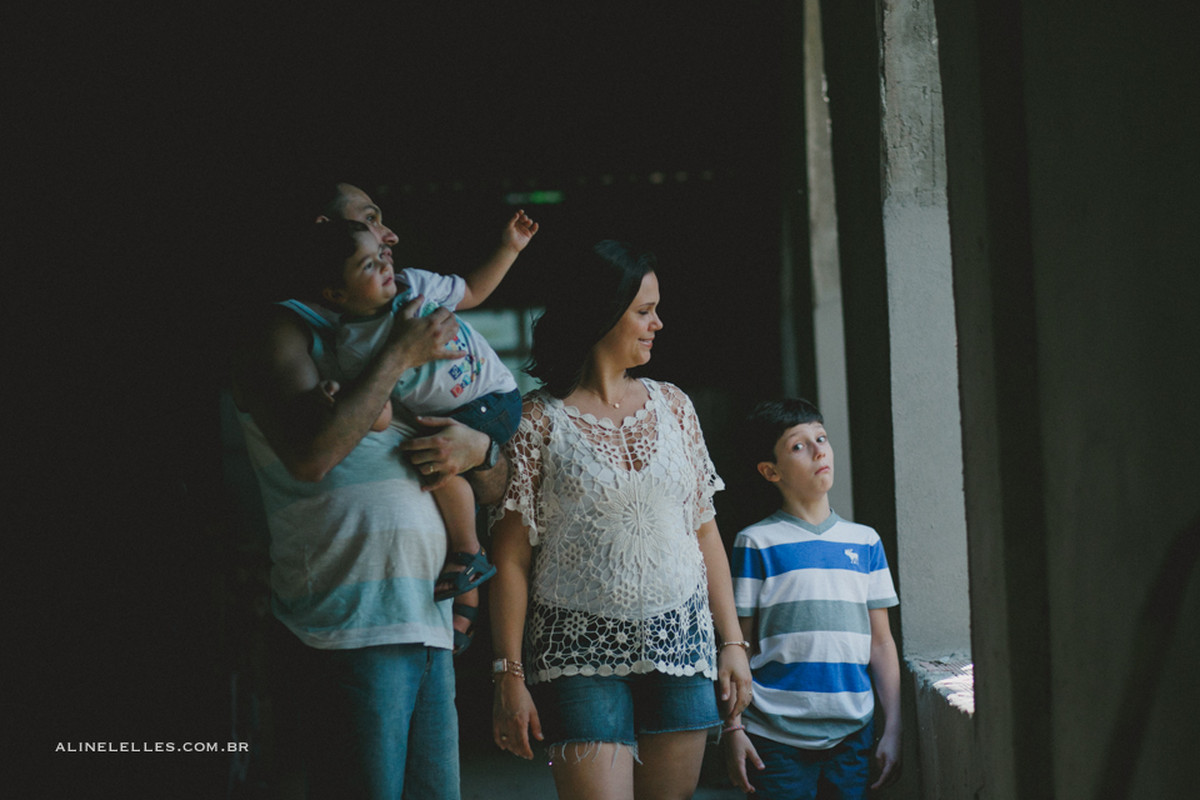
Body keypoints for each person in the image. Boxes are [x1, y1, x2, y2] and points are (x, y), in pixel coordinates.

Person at [231, 181, 509, 799]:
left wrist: (479, 447)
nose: (390, 238)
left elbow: (494, 487)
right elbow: (312, 457)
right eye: (370, 222)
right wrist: (400, 354)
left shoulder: (392, 310)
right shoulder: (284, 330)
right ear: (323, 229)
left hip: (423, 616)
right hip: (351, 626)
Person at [488, 240, 753, 799]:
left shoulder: (675, 406)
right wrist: (508, 675)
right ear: (600, 312)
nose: (658, 322)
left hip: (680, 645)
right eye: (643, 310)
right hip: (577, 655)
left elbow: (704, 529)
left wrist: (732, 643)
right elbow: (511, 556)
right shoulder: (538, 420)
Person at [289, 197, 538, 652]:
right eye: (368, 264)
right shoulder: (350, 348)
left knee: (431, 456)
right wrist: (339, 395)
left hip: (493, 399)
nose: (386, 261)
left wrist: (510, 249)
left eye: (381, 255)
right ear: (336, 294)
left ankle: (468, 554)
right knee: (429, 455)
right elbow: (378, 416)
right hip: (457, 414)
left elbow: (473, 292)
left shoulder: (413, 285)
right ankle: (468, 568)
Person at [721, 398, 901, 799]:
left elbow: (882, 642)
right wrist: (733, 729)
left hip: (852, 733)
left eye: (821, 438)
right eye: (799, 446)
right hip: (774, 735)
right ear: (770, 471)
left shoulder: (865, 541)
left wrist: (893, 728)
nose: (820, 450)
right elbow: (739, 648)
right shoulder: (757, 543)